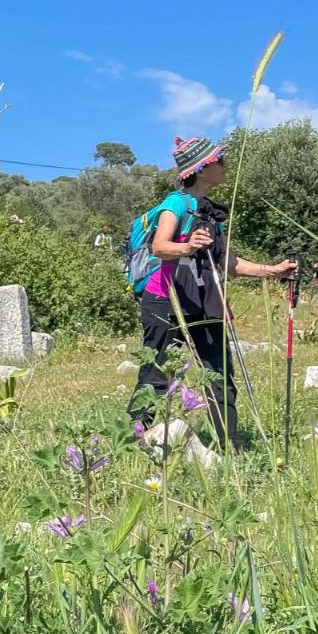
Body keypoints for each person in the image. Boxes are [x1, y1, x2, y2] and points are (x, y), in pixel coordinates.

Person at [128, 135, 297, 448]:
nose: (225, 164)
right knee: (157, 372)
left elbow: (227, 261)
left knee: (219, 371)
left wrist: (271, 270)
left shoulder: (210, 214)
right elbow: (159, 246)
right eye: (220, 160)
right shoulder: (176, 203)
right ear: (203, 169)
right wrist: (188, 245)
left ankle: (231, 445)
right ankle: (132, 439)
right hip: (165, 301)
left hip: (206, 302)